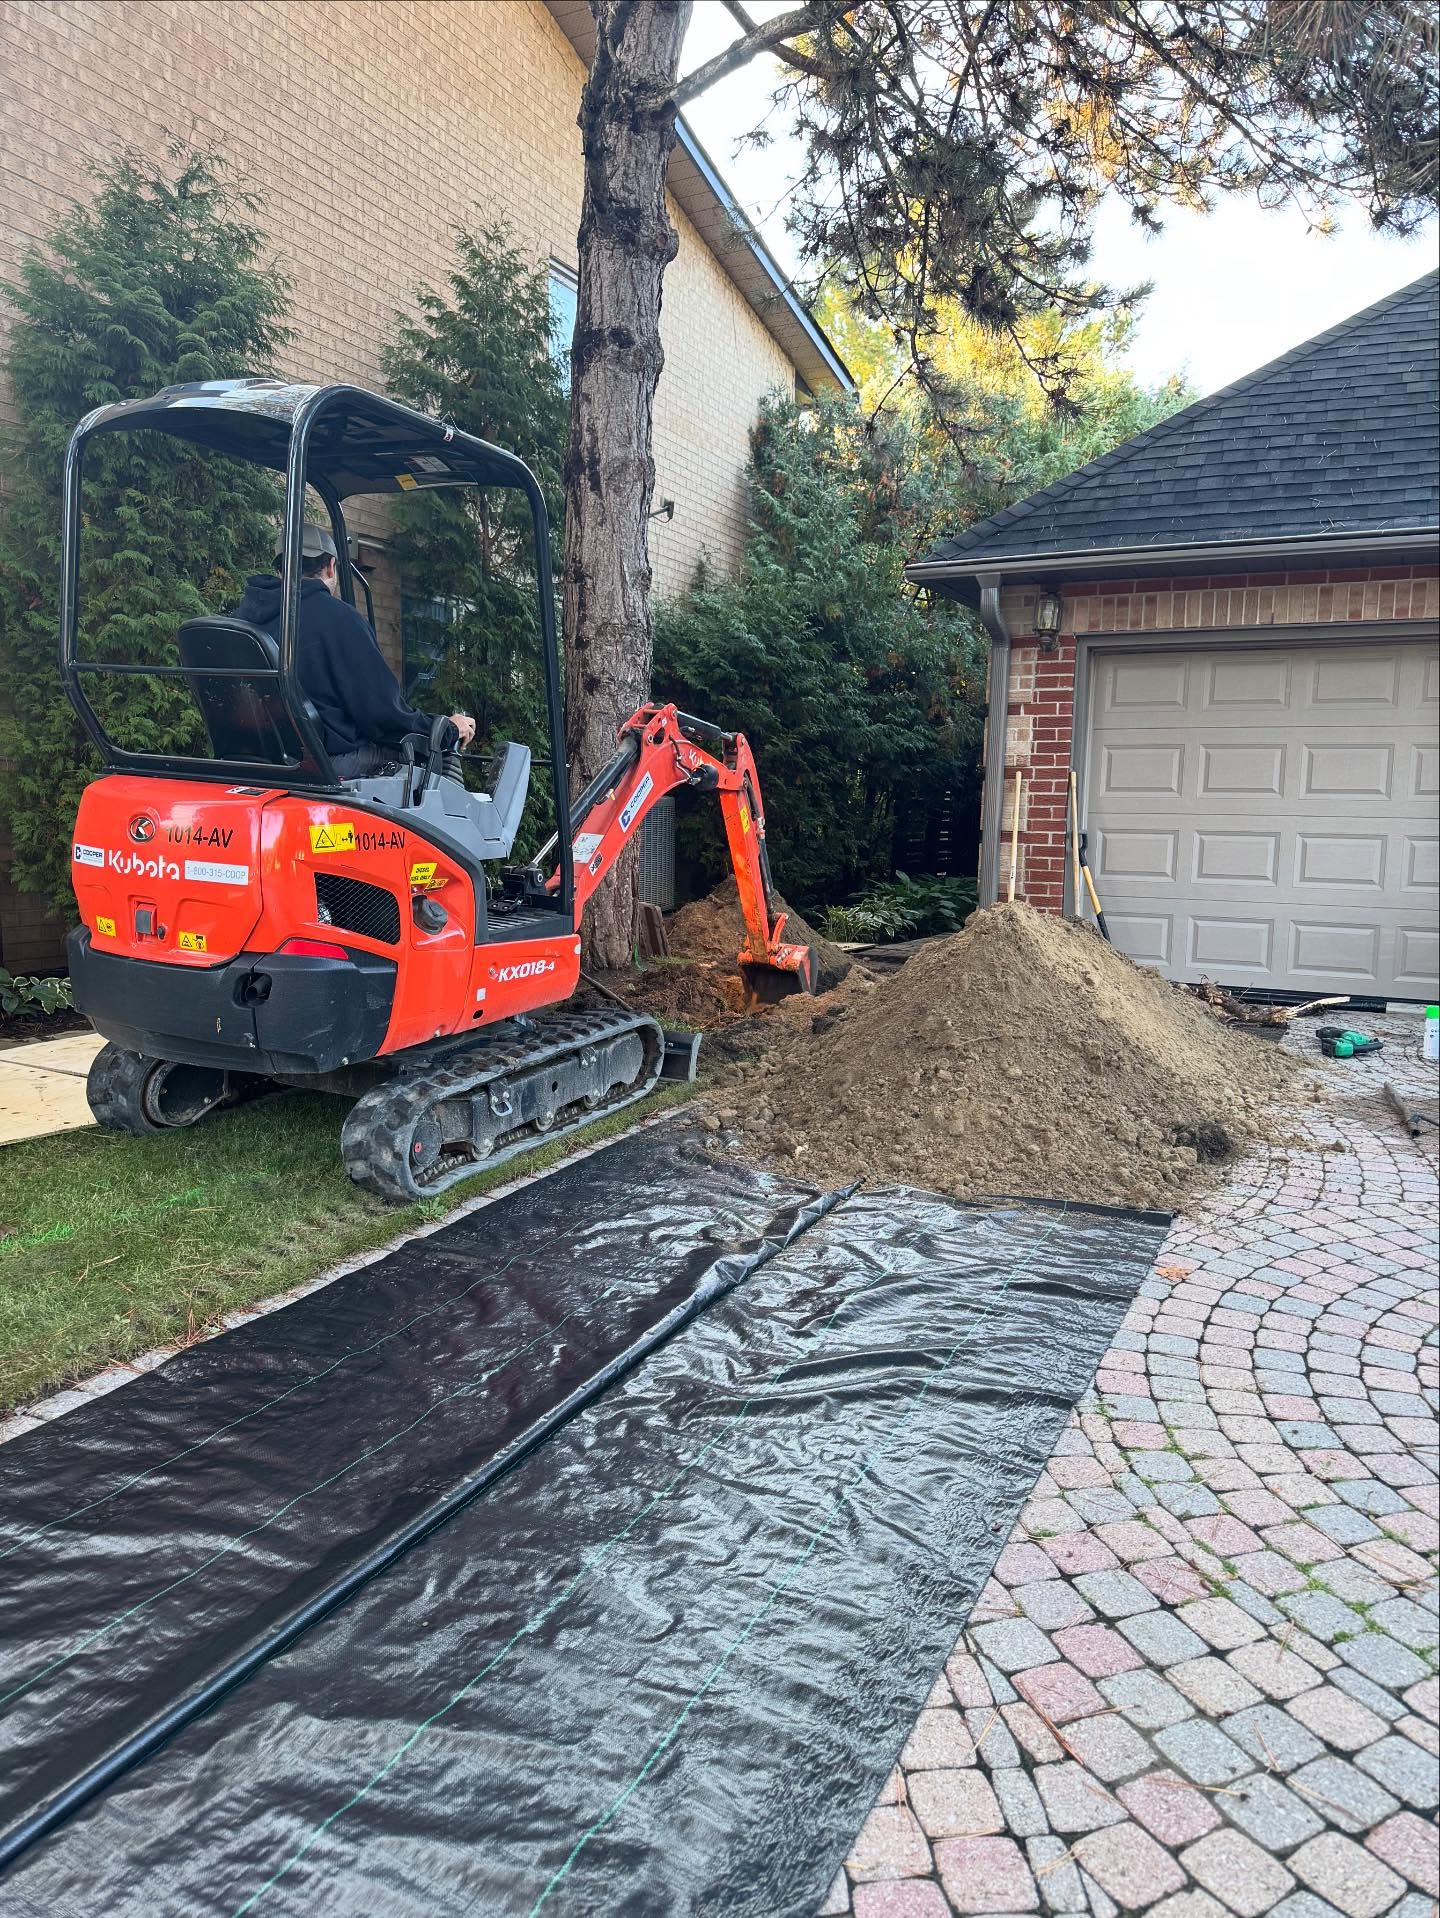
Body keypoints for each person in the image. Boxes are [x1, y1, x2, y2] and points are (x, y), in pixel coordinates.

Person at [233, 524, 475, 779]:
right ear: (331, 565)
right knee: (435, 761)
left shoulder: (243, 622)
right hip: (330, 765)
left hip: (261, 763)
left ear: (281, 570)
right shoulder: (339, 620)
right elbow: (383, 715)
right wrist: (445, 729)